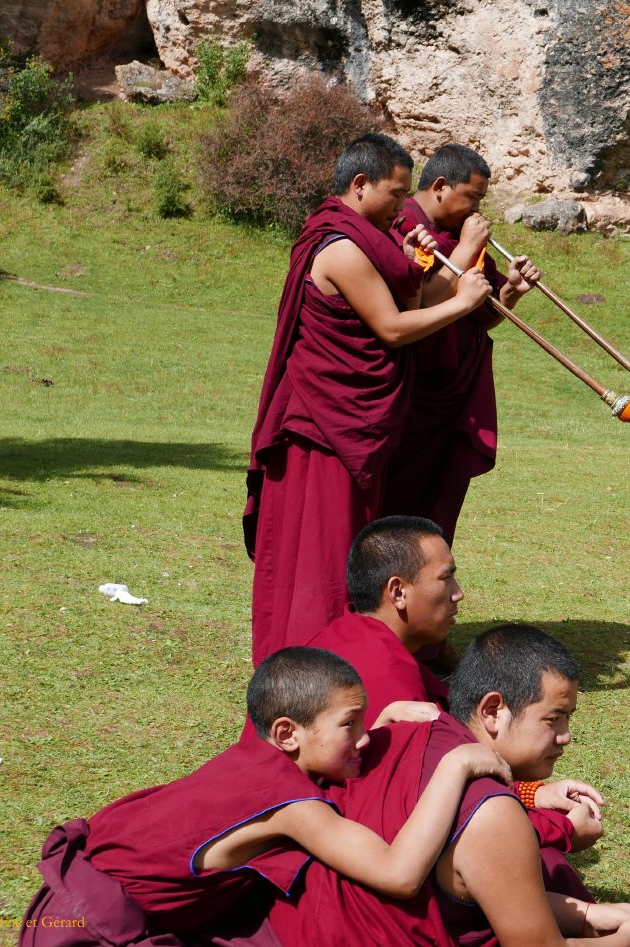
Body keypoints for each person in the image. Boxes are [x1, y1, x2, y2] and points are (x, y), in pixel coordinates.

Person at [19, 648, 511, 946]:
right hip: (88, 932)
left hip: (63, 901)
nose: (364, 738)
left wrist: (377, 726)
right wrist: (457, 764)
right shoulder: (293, 808)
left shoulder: (252, 757)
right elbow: (399, 877)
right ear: (286, 732)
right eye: (349, 724)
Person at [244, 133, 493, 666]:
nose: (405, 207)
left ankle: (342, 662)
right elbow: (394, 329)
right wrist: (464, 296)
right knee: (322, 551)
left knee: (344, 546)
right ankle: (313, 667)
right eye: (397, 194)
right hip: (322, 428)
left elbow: (411, 296)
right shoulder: (341, 247)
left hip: (351, 427)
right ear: (360, 186)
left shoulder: (368, 243)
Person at [270, 626, 630, 946]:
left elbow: (474, 883)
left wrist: (586, 914)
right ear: (493, 711)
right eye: (554, 719)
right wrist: (629, 942)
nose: (566, 736)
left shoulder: (409, 725)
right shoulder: (492, 812)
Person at [305, 515, 602, 880]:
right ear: (398, 592)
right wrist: (563, 831)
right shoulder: (382, 676)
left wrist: (531, 794)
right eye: (446, 578)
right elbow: (432, 813)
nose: (458, 592)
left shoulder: (348, 635)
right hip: (332, 854)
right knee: (547, 870)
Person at [385, 144, 541, 545]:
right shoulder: (403, 226)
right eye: (471, 198)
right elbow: (417, 306)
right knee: (398, 496)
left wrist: (513, 292)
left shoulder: (456, 234)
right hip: (414, 389)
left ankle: (425, 588)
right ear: (440, 186)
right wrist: (467, 248)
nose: (476, 211)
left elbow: (481, 313)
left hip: (456, 388)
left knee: (441, 495)